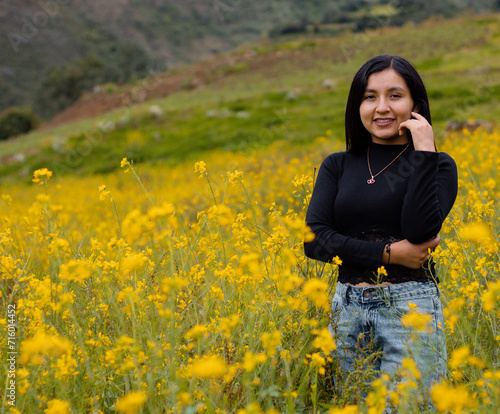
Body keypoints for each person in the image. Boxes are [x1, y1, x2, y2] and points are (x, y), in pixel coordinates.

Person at [304, 55, 458, 404]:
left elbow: (419, 229)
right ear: (357, 104)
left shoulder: (439, 164)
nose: (381, 108)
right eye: (370, 96)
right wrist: (389, 253)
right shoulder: (338, 165)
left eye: (395, 96)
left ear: (416, 105)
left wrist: (423, 152)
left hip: (410, 309)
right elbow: (315, 241)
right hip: (346, 308)